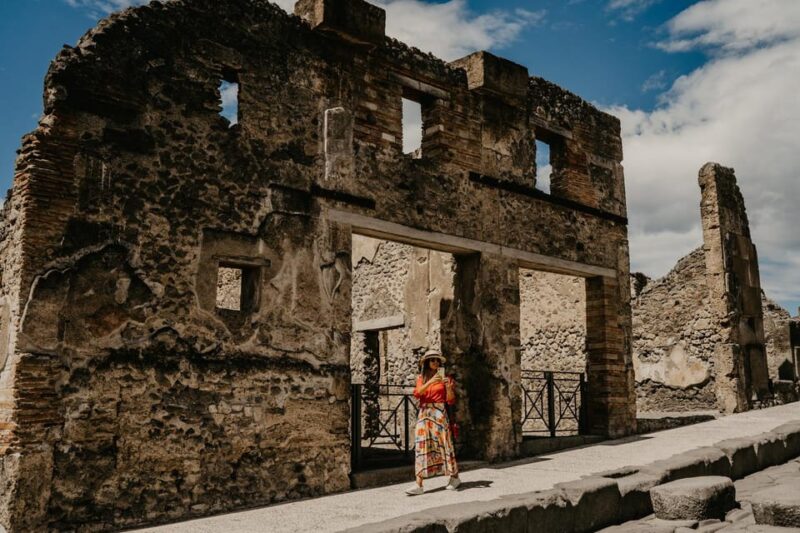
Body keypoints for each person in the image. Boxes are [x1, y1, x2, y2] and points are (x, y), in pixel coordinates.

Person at [405, 349, 460, 495]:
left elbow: (450, 400)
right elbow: (417, 393)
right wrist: (431, 381)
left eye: (437, 360)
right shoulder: (421, 378)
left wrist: (448, 387)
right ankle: (419, 484)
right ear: (427, 363)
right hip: (424, 413)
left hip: (439, 412)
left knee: (444, 443)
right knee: (421, 445)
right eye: (432, 360)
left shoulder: (446, 378)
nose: (435, 362)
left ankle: (454, 477)